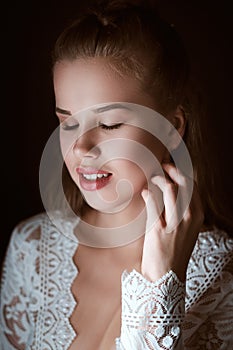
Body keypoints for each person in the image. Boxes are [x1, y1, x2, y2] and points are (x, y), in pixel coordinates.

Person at [1, 0, 233, 349]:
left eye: (109, 124)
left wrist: (162, 279)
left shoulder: (223, 272)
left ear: (172, 127)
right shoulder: (31, 249)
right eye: (67, 122)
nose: (80, 147)